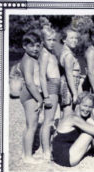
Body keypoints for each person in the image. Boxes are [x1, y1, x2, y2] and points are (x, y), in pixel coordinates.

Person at [19, 31, 43, 163]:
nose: (35, 49)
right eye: (32, 46)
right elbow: (29, 82)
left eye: (38, 46)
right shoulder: (28, 60)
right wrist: (39, 98)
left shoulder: (30, 58)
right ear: (24, 46)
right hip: (30, 95)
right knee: (32, 126)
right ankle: (28, 156)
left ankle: (25, 153)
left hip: (29, 95)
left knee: (29, 125)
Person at [38, 26, 61, 160]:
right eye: (49, 40)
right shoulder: (45, 54)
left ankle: (45, 147)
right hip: (50, 86)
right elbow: (42, 76)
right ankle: (46, 151)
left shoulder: (51, 53)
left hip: (55, 86)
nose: (52, 42)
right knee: (48, 120)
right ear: (42, 41)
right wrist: (46, 96)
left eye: (54, 40)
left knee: (50, 120)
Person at [59, 27, 81, 118]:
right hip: (68, 87)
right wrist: (75, 93)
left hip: (70, 86)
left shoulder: (66, 52)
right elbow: (69, 75)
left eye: (76, 38)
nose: (75, 40)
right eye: (71, 38)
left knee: (66, 114)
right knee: (67, 115)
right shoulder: (68, 55)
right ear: (64, 40)